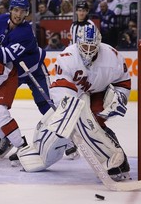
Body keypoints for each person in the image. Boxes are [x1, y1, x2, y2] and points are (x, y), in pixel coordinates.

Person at [17, 24, 131, 181]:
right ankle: (39, 155)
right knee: (56, 127)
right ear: (77, 43)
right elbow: (61, 90)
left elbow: (123, 82)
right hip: (75, 96)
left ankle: (115, 159)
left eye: (93, 47)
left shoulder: (112, 55)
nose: (89, 51)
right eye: (85, 46)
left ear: (99, 44)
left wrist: (119, 97)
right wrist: (69, 115)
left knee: (92, 125)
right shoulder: (67, 57)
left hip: (99, 93)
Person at [0, 0, 52, 160]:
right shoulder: (0, 20)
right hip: (13, 72)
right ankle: (2, 136)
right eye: (16, 9)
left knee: (45, 105)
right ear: (10, 10)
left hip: (33, 69)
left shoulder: (26, 32)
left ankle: (67, 139)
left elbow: (6, 55)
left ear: (27, 13)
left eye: (23, 11)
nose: (19, 14)